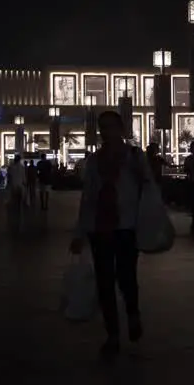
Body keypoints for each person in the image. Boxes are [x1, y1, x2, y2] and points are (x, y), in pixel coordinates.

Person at [71, 111, 154, 356]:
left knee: (127, 277)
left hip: (127, 225)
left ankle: (132, 313)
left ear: (121, 129)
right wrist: (80, 232)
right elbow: (88, 198)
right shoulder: (95, 161)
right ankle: (113, 335)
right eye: (102, 127)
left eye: (110, 127)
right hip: (100, 227)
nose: (106, 132)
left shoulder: (134, 157)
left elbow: (148, 187)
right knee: (104, 282)